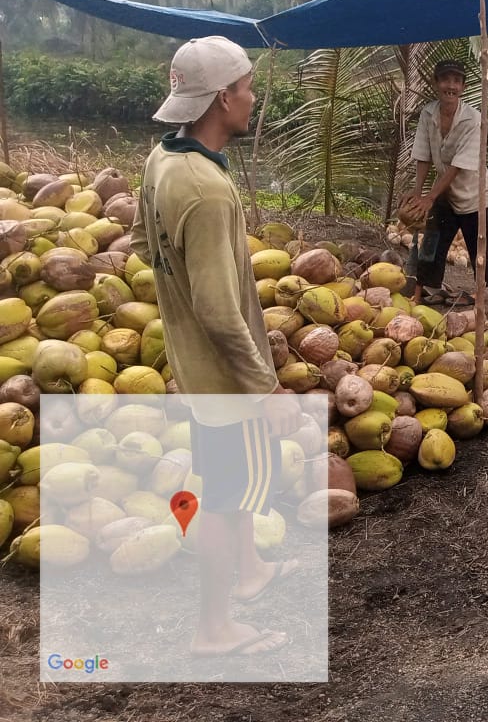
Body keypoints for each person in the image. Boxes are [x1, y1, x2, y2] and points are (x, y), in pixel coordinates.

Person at [131, 36, 303, 658]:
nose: (253, 99)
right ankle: (215, 629)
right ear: (223, 98)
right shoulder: (205, 190)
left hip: (194, 365)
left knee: (232, 485)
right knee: (226, 502)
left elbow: (140, 238)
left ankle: (251, 570)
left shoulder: (162, 160)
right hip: (228, 381)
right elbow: (220, 312)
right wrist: (267, 388)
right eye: (248, 88)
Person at [400, 59, 488, 318]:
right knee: (432, 242)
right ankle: (420, 292)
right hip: (444, 193)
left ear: (463, 87)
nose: (450, 86)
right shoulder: (428, 114)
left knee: (480, 248)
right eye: (445, 80)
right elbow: (423, 154)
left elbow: (458, 166)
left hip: (474, 196)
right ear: (436, 83)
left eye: (456, 81)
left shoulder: (473, 119)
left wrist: (430, 197)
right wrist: (418, 192)